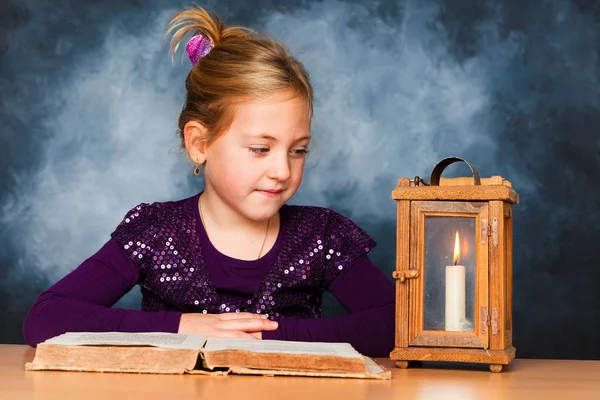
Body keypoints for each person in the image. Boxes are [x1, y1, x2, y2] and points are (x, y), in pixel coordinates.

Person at [22, 6, 395, 357]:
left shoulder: (322, 235)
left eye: (298, 151)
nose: (283, 170)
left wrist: (263, 339)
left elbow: (398, 323)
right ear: (199, 144)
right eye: (260, 149)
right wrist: (185, 328)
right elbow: (46, 318)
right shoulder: (156, 231)